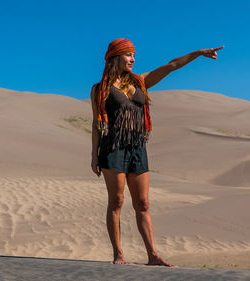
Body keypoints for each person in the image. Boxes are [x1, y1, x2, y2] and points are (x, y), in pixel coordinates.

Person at [90, 38, 223, 265]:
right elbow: (96, 123)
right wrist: (94, 156)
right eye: (129, 55)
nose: (133, 59)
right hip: (113, 148)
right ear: (115, 57)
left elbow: (171, 66)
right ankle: (118, 254)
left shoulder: (141, 81)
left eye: (134, 55)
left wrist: (198, 53)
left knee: (143, 204)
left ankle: (152, 255)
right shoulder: (100, 89)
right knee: (117, 201)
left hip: (137, 147)